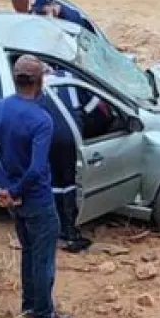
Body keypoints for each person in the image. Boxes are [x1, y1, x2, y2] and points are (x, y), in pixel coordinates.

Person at [0, 55, 74, 318]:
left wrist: (7, 189)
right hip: (37, 199)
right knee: (43, 260)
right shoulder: (42, 119)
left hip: (15, 201)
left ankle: (30, 306)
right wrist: (17, 190)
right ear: (39, 81)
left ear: (15, 78)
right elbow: (36, 168)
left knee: (29, 252)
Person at [39, 65, 99, 253]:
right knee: (70, 183)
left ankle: (57, 229)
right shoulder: (68, 76)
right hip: (71, 137)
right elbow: (94, 103)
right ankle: (70, 230)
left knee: (54, 183)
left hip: (47, 136)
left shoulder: (34, 83)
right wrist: (85, 121)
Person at [30, 0, 97, 34]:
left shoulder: (72, 21)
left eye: (42, 13)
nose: (38, 17)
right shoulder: (31, 16)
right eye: (35, 12)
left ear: (54, 7)